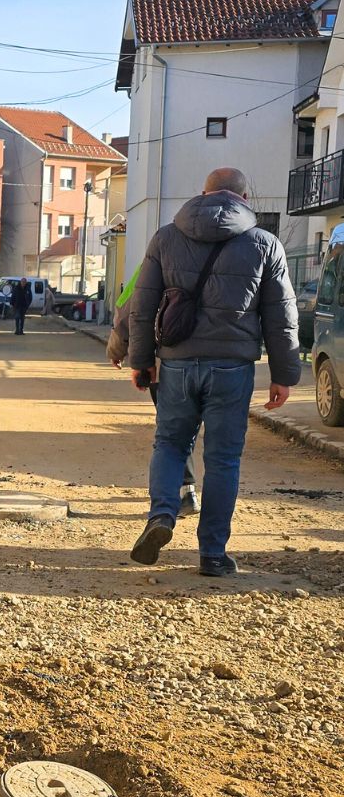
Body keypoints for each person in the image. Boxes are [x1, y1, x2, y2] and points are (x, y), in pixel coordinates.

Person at [127, 167, 300, 577]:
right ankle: (213, 554)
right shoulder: (265, 244)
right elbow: (281, 316)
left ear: (203, 194)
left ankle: (162, 514)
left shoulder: (166, 237)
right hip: (232, 367)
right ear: (245, 198)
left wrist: (141, 360)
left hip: (177, 363)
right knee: (223, 459)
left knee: (170, 444)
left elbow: (142, 305)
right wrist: (284, 374)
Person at [107, 264, 199, 518]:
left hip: (168, 363)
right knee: (214, 440)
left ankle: (184, 492)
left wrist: (117, 349)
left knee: (174, 431)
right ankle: (206, 501)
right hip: (222, 364)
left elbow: (128, 308)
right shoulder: (233, 252)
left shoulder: (158, 258)